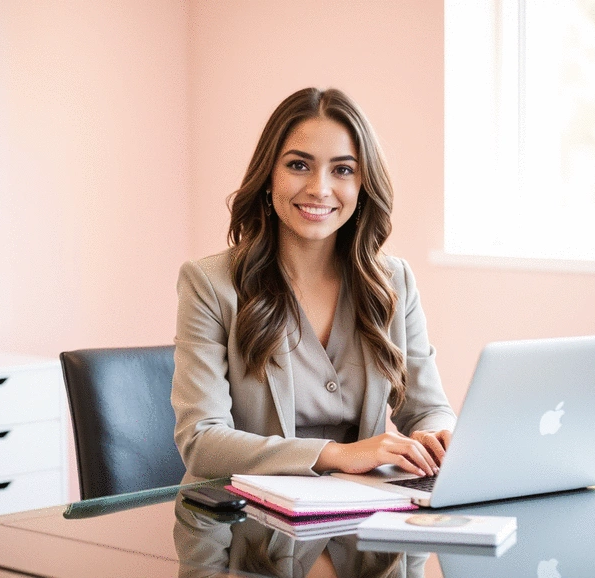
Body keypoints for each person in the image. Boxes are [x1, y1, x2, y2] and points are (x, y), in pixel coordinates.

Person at [171, 87, 456, 486]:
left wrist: (438, 433)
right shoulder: (210, 284)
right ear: (268, 175)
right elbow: (201, 441)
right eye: (299, 165)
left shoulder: (394, 281)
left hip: (358, 520)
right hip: (248, 529)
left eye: (342, 169)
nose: (320, 188)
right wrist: (337, 455)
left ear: (362, 185)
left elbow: (428, 409)